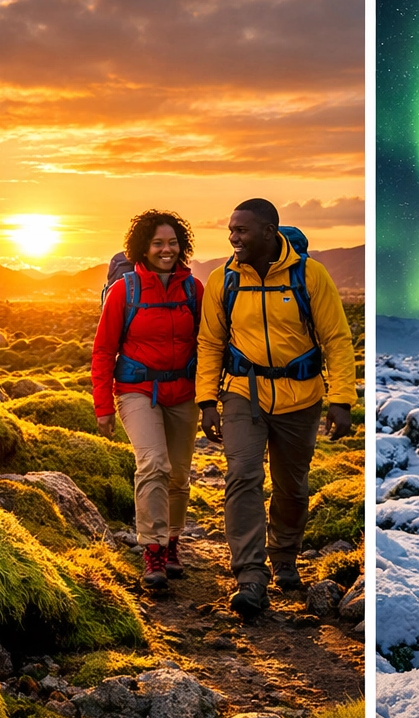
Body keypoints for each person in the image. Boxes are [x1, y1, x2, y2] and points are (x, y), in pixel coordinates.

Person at [195, 197, 357, 619]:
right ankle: (250, 576)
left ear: (269, 232)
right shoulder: (223, 279)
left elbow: (336, 339)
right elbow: (210, 342)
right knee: (242, 476)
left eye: (241, 230)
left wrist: (342, 398)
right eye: (231, 230)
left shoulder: (310, 275)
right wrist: (207, 400)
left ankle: (284, 556)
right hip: (241, 393)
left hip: (301, 397)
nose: (233, 237)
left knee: (292, 486)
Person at [91, 209, 202, 589]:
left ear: (181, 246)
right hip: (137, 391)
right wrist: (103, 407)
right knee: (154, 464)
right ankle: (152, 550)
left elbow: (209, 344)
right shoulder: (124, 291)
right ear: (143, 247)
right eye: (158, 243)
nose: (166, 250)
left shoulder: (194, 290)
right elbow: (103, 351)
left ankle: (172, 541)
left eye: (172, 243)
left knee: (179, 474)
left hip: (183, 392)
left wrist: (210, 398)